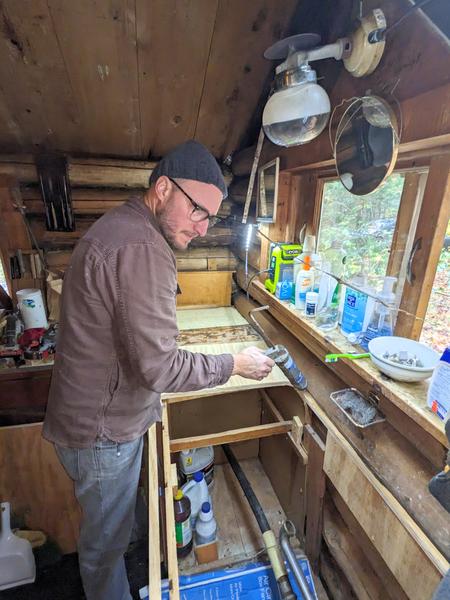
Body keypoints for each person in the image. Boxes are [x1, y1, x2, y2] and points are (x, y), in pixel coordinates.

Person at [43, 140, 274, 600]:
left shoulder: (124, 227)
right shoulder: (141, 247)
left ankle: (131, 564)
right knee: (102, 550)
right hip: (103, 433)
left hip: (93, 419)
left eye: (210, 217)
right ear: (163, 189)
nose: (204, 228)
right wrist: (235, 364)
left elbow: (140, 341)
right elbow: (160, 368)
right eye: (196, 211)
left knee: (114, 529)